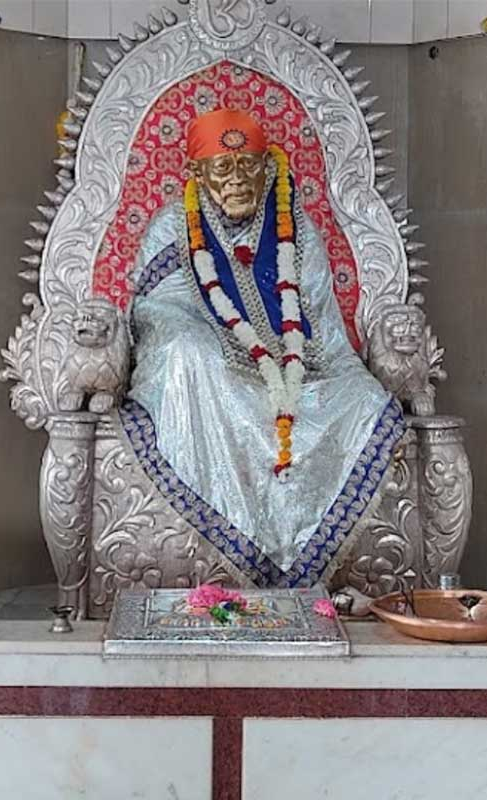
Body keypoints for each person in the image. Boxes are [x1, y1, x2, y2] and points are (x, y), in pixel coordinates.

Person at [120, 108, 407, 588]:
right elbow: (157, 312)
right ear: (197, 174)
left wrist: (293, 356)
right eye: (223, 169)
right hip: (215, 361)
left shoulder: (296, 228)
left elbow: (319, 318)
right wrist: (224, 340)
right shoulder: (173, 227)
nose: (237, 180)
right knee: (189, 356)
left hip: (299, 364)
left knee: (366, 401)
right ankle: (235, 549)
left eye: (247, 166)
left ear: (267, 165)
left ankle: (320, 561)